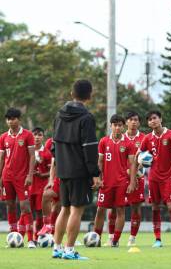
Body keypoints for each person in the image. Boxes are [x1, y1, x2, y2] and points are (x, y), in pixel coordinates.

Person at [52, 80, 101, 260]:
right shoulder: (86, 117)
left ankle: (56, 248)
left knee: (64, 209)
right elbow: (89, 147)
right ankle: (69, 251)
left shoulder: (59, 115)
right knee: (76, 210)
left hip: (63, 170)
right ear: (89, 96)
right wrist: (94, 173)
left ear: (72, 93)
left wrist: (59, 164)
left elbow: (53, 145)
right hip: (79, 172)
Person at [137, 110, 171, 248]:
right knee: (155, 206)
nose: (152, 121)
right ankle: (157, 239)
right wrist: (138, 168)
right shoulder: (147, 138)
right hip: (153, 178)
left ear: (160, 119)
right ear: (148, 123)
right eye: (150, 119)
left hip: (168, 177)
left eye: (154, 118)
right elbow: (139, 155)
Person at [93, 114, 136, 247]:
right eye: (115, 125)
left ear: (123, 127)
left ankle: (115, 240)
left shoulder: (128, 143)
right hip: (106, 183)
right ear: (110, 126)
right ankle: (96, 238)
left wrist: (132, 182)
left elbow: (133, 164)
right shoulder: (103, 141)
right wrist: (98, 178)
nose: (117, 128)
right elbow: (99, 162)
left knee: (120, 210)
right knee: (100, 210)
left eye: (119, 125)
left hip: (121, 183)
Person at [105, 111, 146, 247]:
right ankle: (111, 237)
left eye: (136, 120)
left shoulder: (144, 138)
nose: (133, 122)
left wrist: (137, 169)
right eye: (130, 119)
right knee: (114, 208)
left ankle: (132, 238)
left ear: (139, 122)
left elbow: (149, 158)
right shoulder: (120, 138)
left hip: (136, 177)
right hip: (119, 178)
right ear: (126, 123)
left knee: (135, 207)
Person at [0, 108, 36, 248]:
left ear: (19, 119)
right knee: (10, 205)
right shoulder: (3, 137)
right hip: (7, 176)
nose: (10, 121)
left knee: (25, 206)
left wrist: (30, 175)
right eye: (8, 119)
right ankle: (13, 235)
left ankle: (31, 239)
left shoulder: (27, 135)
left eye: (13, 118)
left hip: (22, 177)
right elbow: (2, 158)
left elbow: (32, 156)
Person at [29, 127, 52, 242]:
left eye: (39, 135)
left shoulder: (47, 153)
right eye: (35, 134)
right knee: (26, 212)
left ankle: (36, 238)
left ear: (43, 137)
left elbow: (52, 171)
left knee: (38, 213)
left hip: (40, 188)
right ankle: (25, 238)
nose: (37, 137)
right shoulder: (27, 151)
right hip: (27, 187)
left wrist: (42, 174)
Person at [37, 138, 61, 236]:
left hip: (72, 178)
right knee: (47, 195)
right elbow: (53, 162)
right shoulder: (52, 142)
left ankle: (68, 236)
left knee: (62, 207)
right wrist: (51, 180)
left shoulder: (75, 139)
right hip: (58, 178)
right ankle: (47, 225)